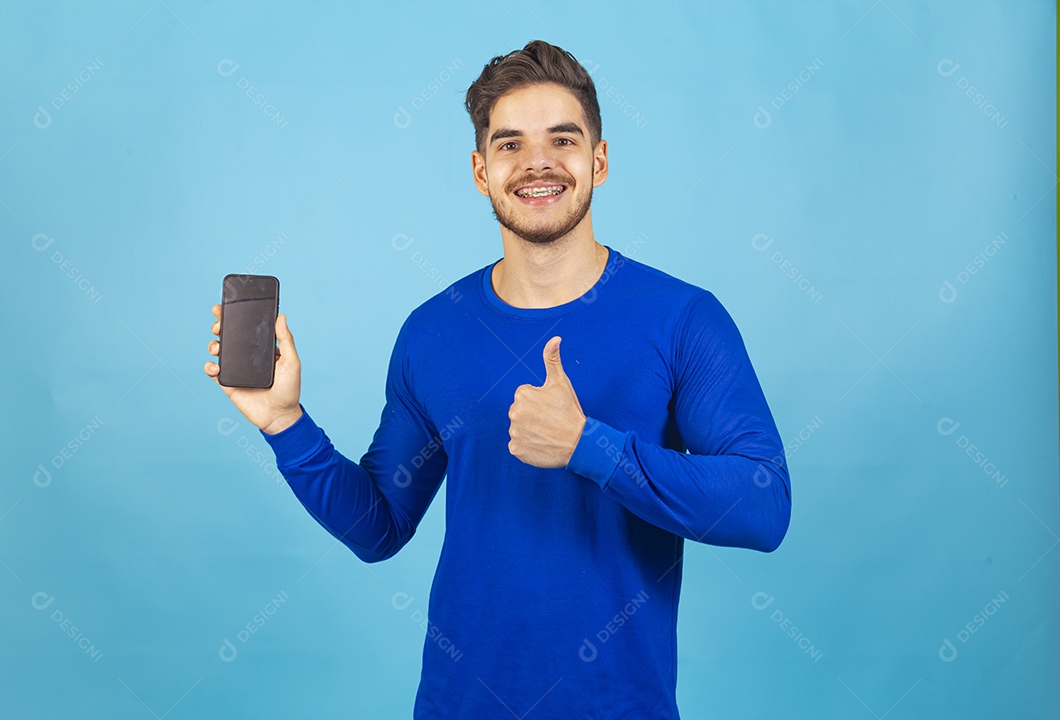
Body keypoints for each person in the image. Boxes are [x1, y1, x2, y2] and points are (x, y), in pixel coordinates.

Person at [205, 39, 791, 720]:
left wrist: (589, 447)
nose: (537, 162)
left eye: (562, 140)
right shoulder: (433, 331)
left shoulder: (684, 319)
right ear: (481, 171)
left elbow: (764, 505)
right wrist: (284, 423)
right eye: (510, 145)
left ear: (598, 161)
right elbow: (379, 527)